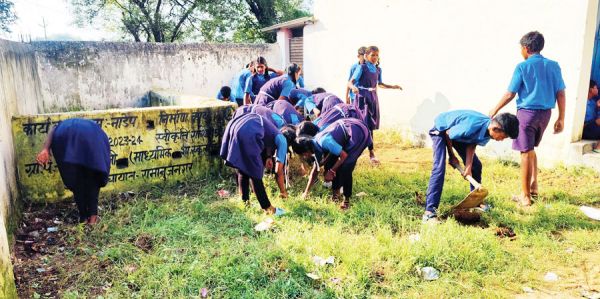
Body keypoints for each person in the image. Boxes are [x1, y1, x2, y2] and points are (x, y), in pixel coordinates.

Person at [489, 31, 566, 207]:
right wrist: (561, 117)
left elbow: (510, 93)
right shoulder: (553, 65)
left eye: (520, 48)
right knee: (530, 149)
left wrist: (495, 109)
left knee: (525, 153)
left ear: (526, 48)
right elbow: (560, 93)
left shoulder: (523, 67)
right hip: (545, 115)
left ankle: (525, 196)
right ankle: (534, 186)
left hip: (527, 114)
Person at [423, 111, 520, 223]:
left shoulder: (488, 132)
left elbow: (472, 143)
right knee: (439, 168)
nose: (502, 139)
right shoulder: (471, 126)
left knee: (476, 165)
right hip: (442, 130)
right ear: (496, 128)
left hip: (458, 134)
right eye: (504, 136)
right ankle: (429, 213)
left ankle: (476, 201)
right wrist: (452, 156)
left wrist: (468, 167)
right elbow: (448, 133)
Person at [36, 118, 111, 225]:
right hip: (88, 140)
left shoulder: (61, 126)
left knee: (77, 183)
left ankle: (83, 217)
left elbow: (53, 129)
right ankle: (93, 218)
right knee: (93, 179)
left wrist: (45, 149)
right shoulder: (96, 131)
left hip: (66, 138)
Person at [220, 113, 295, 214]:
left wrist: (268, 157)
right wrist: (283, 191)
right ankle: (268, 208)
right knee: (256, 172)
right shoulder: (283, 141)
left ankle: (244, 201)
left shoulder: (274, 129)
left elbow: (266, 141)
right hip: (249, 131)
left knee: (243, 168)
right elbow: (278, 170)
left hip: (236, 125)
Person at [294, 118, 371, 210]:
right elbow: (316, 169)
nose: (304, 157)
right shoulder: (315, 146)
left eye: (303, 154)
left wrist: (331, 171)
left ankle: (346, 200)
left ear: (305, 150)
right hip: (347, 129)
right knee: (334, 160)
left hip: (357, 131)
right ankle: (336, 194)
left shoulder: (323, 141)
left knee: (346, 167)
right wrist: (306, 192)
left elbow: (343, 155)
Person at [348, 46, 402, 164]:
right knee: (364, 124)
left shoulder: (378, 70)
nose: (375, 57)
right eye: (372, 55)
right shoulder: (361, 68)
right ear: (366, 56)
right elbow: (350, 82)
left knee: (371, 125)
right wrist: (353, 88)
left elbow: (380, 84)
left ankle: (367, 151)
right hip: (362, 97)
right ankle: (369, 152)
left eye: (377, 55)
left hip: (372, 97)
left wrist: (393, 86)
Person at [583, 80, 600, 152]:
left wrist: (598, 108)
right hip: (586, 128)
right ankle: (598, 148)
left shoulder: (593, 102)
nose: (598, 89)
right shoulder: (583, 103)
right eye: (596, 88)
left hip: (593, 126)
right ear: (591, 89)